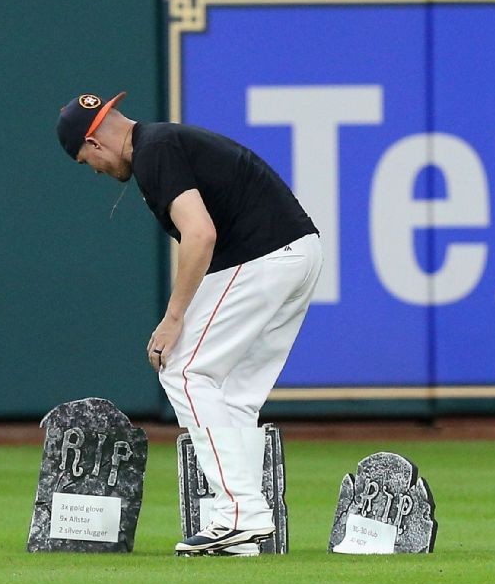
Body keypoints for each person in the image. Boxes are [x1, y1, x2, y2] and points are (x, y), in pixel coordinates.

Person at [56, 91, 322, 556]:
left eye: (85, 161)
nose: (94, 170)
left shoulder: (153, 150)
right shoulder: (162, 141)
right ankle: (239, 527)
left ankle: (240, 514)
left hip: (263, 257)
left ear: (95, 144)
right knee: (232, 395)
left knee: (182, 368)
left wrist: (173, 318)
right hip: (298, 253)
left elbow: (200, 233)